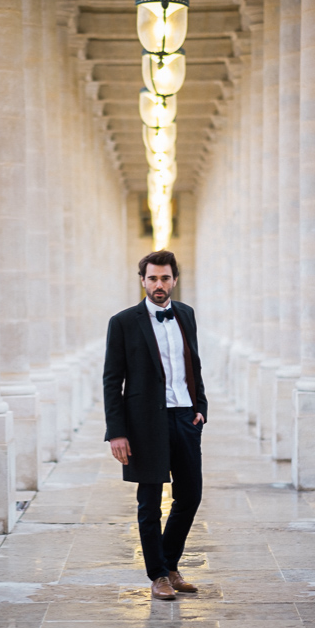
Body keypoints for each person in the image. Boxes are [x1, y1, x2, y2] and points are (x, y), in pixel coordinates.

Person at [103, 250, 208, 601]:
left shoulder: (186, 315)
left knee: (190, 494)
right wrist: (117, 432)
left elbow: (194, 363)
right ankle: (159, 575)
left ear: (174, 280)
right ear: (143, 281)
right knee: (149, 501)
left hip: (184, 417)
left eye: (165, 278)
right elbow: (111, 380)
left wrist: (200, 408)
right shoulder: (123, 322)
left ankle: (170, 564)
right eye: (152, 279)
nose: (159, 285)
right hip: (144, 423)